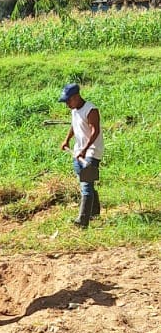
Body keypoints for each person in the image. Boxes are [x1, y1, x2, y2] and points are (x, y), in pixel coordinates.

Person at [59, 82, 104, 228]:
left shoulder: (91, 110)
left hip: (91, 152)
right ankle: (95, 211)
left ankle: (83, 220)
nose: (67, 104)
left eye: (68, 100)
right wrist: (66, 139)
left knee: (86, 185)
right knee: (86, 182)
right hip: (79, 152)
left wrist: (85, 149)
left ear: (76, 97)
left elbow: (95, 131)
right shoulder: (74, 110)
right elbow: (74, 125)